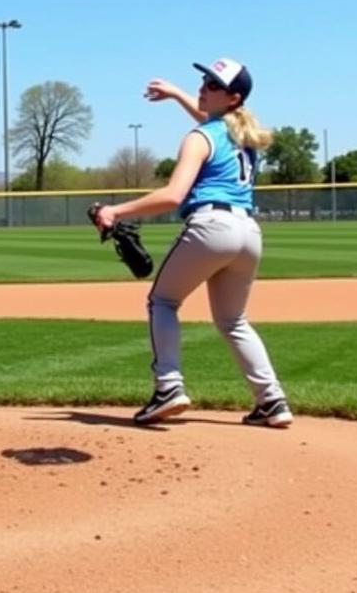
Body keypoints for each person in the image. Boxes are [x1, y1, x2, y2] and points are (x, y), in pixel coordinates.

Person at [92, 57, 292, 429]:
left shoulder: (200, 137)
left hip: (211, 227)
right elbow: (211, 124)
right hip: (248, 233)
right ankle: (272, 400)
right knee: (233, 320)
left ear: (232, 99)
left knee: (162, 301)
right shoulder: (245, 139)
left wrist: (116, 211)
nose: (203, 87)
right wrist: (177, 95)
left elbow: (173, 195)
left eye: (212, 85)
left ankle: (168, 386)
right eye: (203, 81)